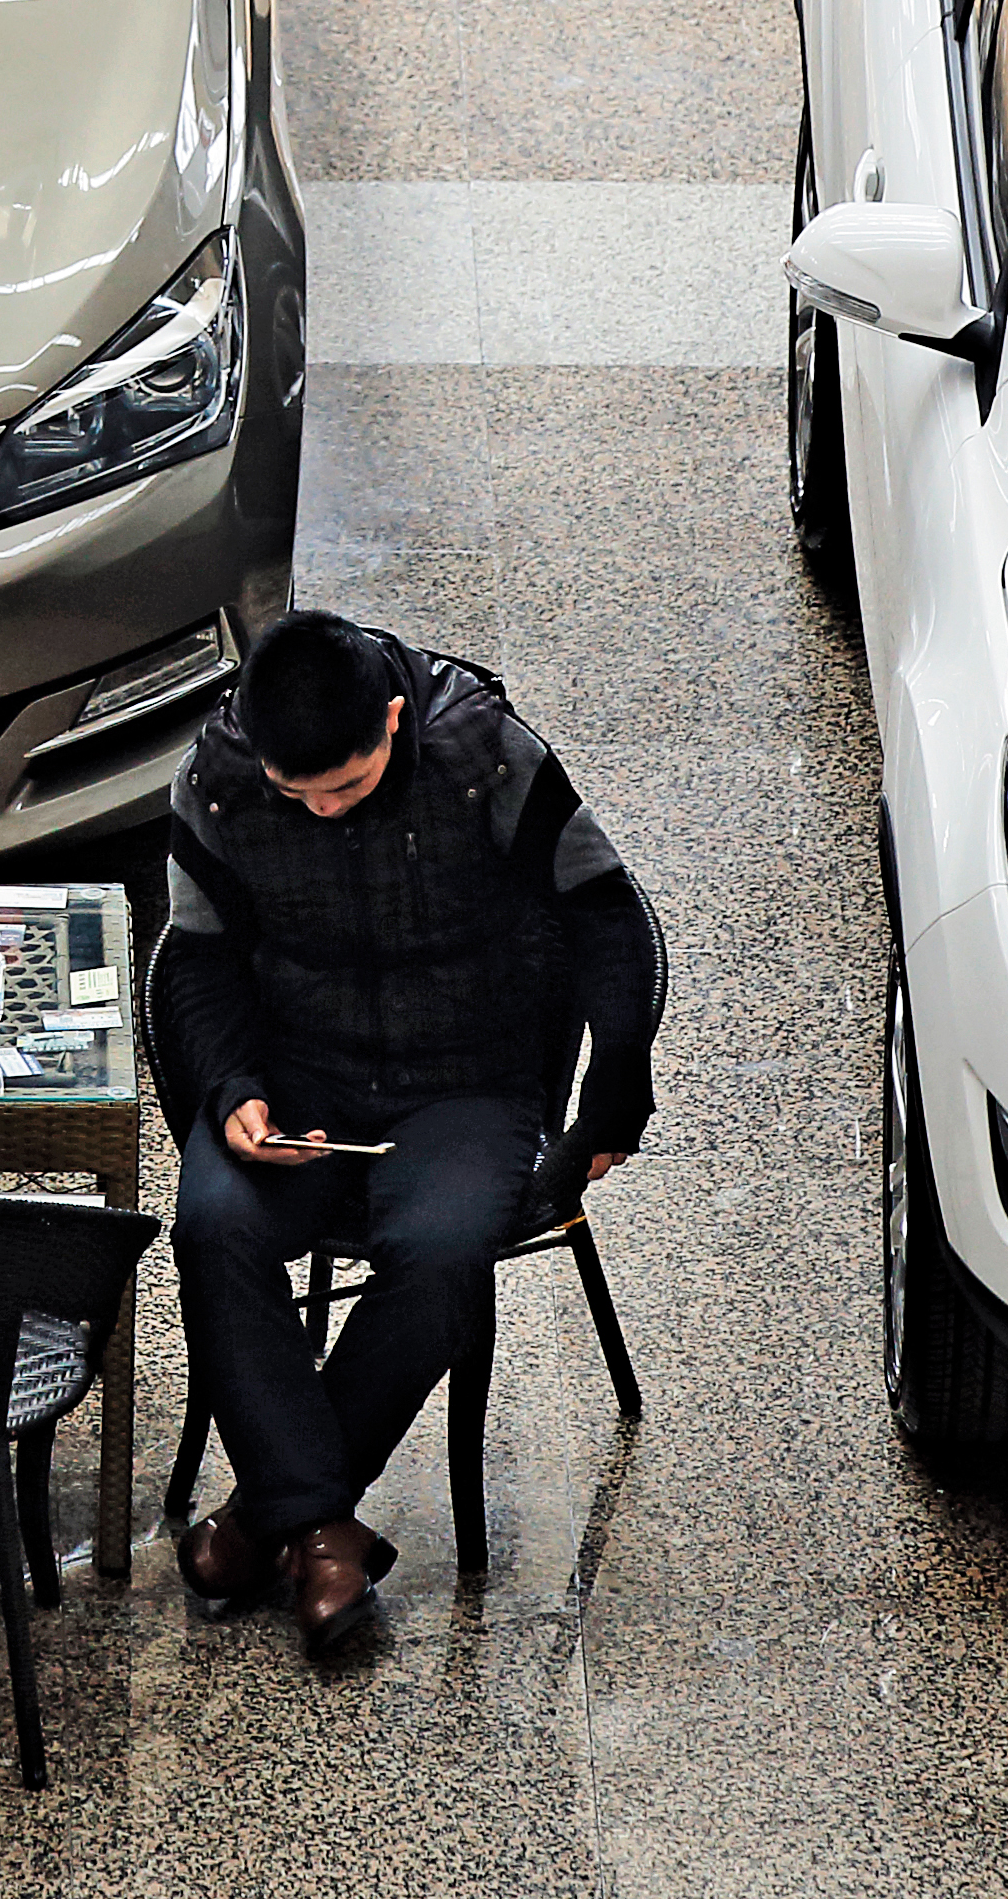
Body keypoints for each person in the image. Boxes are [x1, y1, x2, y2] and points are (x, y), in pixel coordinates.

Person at [159, 607, 663, 1662]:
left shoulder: (486, 754)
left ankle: (267, 1519)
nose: (323, 812)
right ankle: (321, 1531)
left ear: (392, 721)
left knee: (437, 1252)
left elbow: (606, 915)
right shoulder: (215, 775)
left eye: (344, 787)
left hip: (467, 1082)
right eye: (298, 798)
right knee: (212, 1224)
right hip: (297, 1072)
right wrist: (230, 1090)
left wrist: (613, 1093)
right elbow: (197, 962)